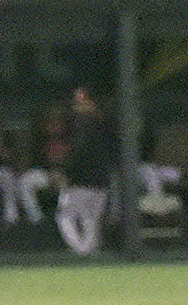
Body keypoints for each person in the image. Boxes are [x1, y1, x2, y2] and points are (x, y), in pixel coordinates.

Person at [55, 87, 114, 255]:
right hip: (100, 181)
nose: (77, 105)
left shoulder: (81, 123)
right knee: (91, 220)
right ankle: (89, 252)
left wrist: (64, 172)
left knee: (66, 216)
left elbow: (76, 153)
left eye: (81, 100)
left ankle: (82, 251)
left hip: (81, 182)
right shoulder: (103, 123)